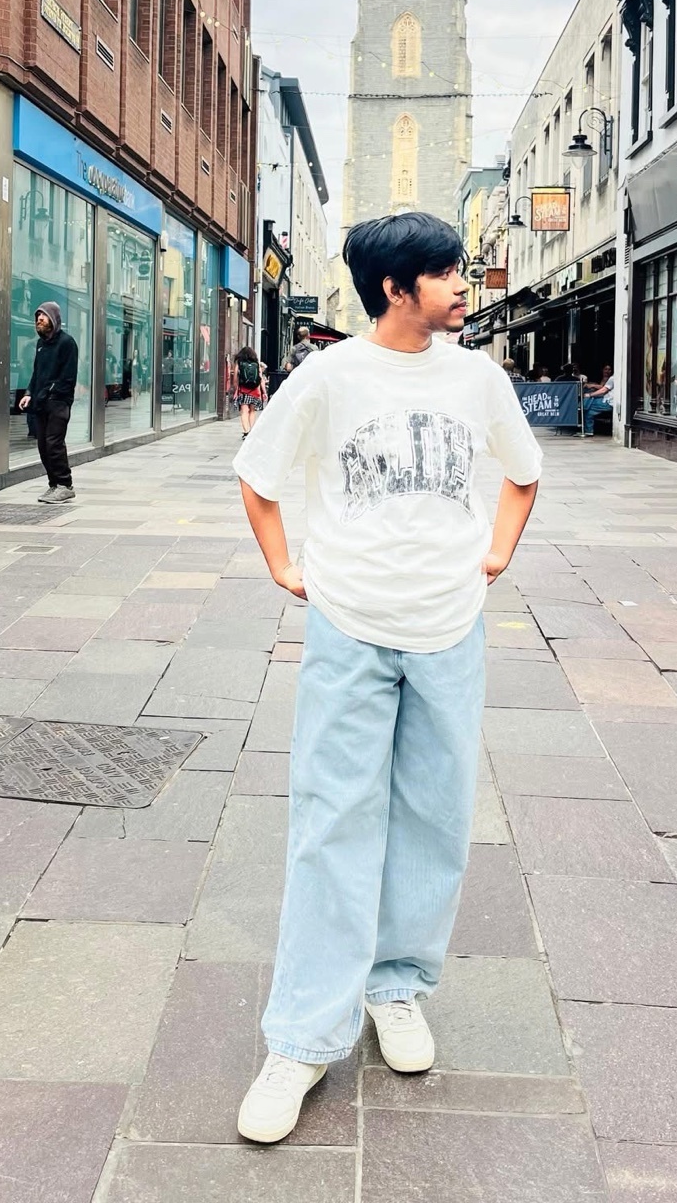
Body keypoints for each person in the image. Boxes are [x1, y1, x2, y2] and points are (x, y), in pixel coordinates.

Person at [232, 211, 542, 1144]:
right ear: (395, 290)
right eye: (446, 274)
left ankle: (396, 987)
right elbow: (260, 475)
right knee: (333, 821)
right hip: (351, 627)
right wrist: (285, 568)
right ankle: (300, 1038)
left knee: (436, 816)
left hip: (449, 630)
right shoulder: (328, 378)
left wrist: (493, 557)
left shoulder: (480, 376)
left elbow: (522, 476)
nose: (463, 284)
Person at [18, 302, 78, 503]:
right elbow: (37, 374)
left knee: (54, 443)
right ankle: (54, 485)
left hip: (58, 402)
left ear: (53, 319)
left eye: (43, 317)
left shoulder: (67, 343)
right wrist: (29, 393)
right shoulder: (41, 344)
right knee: (43, 445)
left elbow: (68, 377)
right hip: (40, 402)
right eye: (37, 318)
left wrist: (51, 394)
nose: (39, 320)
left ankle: (65, 484)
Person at [234, 345, 266, 437]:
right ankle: (251, 431)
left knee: (244, 411)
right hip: (255, 390)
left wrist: (236, 389)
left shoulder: (239, 363)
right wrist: (264, 392)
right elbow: (261, 379)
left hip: (243, 390)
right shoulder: (256, 364)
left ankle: (246, 431)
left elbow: (236, 379)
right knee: (252, 410)